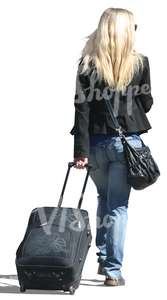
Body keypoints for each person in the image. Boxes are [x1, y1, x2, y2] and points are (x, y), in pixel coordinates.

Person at [70, 8, 153, 286]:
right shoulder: (140, 64)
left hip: (93, 145)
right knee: (118, 206)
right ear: (127, 32)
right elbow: (147, 103)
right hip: (125, 145)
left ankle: (103, 258)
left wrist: (79, 152)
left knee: (103, 198)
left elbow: (81, 110)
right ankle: (113, 270)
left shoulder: (87, 64)